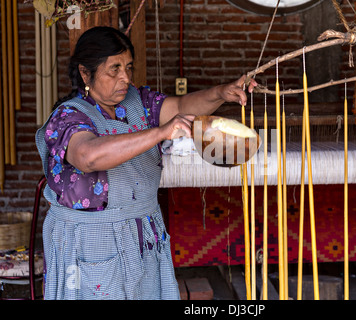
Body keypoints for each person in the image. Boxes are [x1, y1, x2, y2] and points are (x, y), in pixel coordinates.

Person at [35, 26, 257, 300]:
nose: (125, 77)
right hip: (90, 243)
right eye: (114, 69)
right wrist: (161, 132)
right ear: (85, 73)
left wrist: (221, 93)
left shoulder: (137, 102)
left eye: (128, 67)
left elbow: (180, 107)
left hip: (143, 236)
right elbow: (88, 156)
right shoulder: (68, 116)